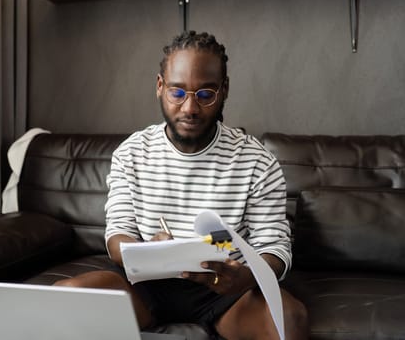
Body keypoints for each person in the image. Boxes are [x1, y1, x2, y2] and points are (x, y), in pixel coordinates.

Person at [55, 31, 308, 340]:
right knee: (65, 296)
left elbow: (276, 248)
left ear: (224, 90)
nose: (190, 108)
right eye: (178, 92)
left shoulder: (257, 160)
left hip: (225, 290)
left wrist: (244, 277)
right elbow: (116, 235)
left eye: (205, 94)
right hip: (147, 285)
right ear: (160, 87)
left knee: (290, 318)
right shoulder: (131, 153)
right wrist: (145, 250)